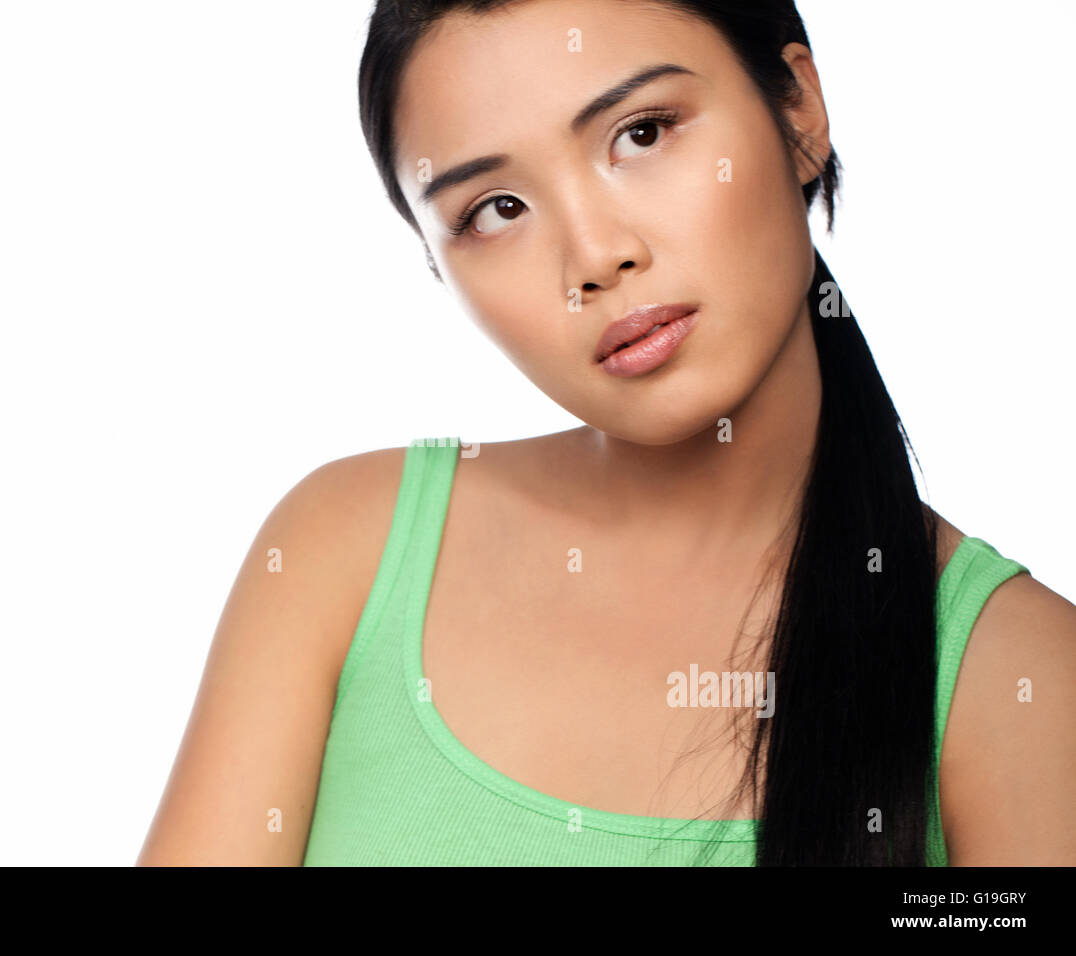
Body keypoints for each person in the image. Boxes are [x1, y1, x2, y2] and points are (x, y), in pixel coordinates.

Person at [137, 0, 1076, 866]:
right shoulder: (343, 550)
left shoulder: (1021, 679)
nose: (595, 256)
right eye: (495, 210)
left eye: (643, 133)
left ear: (800, 112)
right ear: (435, 267)